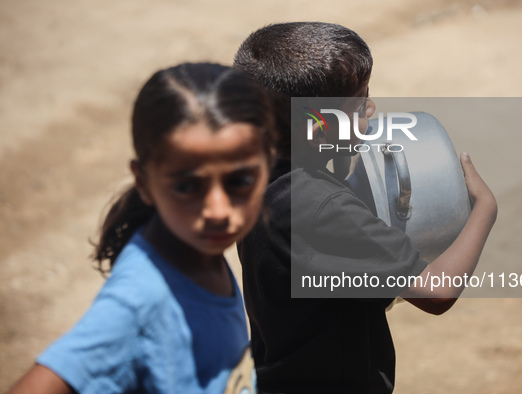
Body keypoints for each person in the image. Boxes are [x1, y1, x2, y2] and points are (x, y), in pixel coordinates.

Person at [234, 22, 497, 393]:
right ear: (317, 126)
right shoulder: (323, 208)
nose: (371, 109)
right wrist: (484, 208)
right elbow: (436, 293)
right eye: (358, 103)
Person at [8, 62, 276, 394]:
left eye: (240, 181)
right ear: (144, 182)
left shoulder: (198, 251)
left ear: (269, 164)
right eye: (188, 187)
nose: (218, 211)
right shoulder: (139, 301)